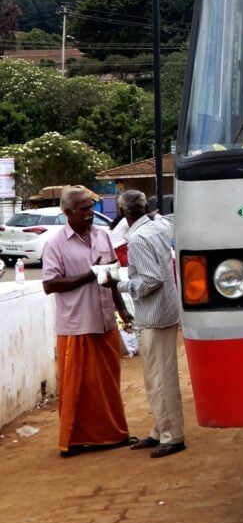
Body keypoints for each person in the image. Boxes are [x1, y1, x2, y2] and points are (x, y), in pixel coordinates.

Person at [41, 186, 137, 458]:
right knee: (78, 387)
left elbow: (111, 277)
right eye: (83, 209)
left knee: (107, 385)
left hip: (104, 320)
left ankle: (112, 434)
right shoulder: (56, 244)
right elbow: (50, 284)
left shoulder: (102, 236)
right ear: (68, 212)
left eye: (90, 207)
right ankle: (73, 440)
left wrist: (122, 311)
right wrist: (88, 275)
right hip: (76, 324)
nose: (90, 213)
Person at [109, 190, 186, 459]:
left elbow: (151, 279)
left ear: (122, 212)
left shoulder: (139, 238)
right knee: (159, 375)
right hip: (166, 309)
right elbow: (165, 225)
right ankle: (160, 430)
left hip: (154, 314)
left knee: (159, 378)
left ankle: (172, 435)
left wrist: (119, 284)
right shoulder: (157, 226)